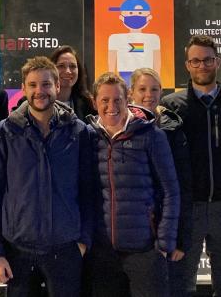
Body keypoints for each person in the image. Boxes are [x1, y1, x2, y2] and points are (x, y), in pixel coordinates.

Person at [0, 56, 93, 297]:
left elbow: (89, 190)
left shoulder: (79, 131)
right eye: (32, 85)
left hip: (65, 249)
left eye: (46, 84)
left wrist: (83, 240)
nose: (39, 91)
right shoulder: (6, 131)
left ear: (57, 87)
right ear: (23, 88)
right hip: (17, 251)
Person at [160, 35, 221, 297]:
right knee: (182, 283)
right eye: (196, 61)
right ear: (187, 65)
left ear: (218, 62)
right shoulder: (171, 105)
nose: (202, 65)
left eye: (208, 60)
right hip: (188, 209)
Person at [85, 72, 179, 297]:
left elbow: (171, 191)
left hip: (145, 250)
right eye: (104, 101)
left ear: (127, 98)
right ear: (94, 102)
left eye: (117, 99)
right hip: (103, 251)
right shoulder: (88, 137)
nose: (111, 106)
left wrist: (164, 242)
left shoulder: (151, 135)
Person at [129, 68, 193, 297]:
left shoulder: (175, 130)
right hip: (135, 232)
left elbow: (183, 188)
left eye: (154, 89)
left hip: (168, 231)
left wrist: (181, 239)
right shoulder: (120, 128)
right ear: (131, 93)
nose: (149, 94)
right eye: (142, 89)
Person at [107, 0, 161, 84]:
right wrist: (112, 83)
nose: (135, 16)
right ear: (121, 17)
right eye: (130, 13)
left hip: (148, 77)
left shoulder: (153, 38)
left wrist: (157, 83)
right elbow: (111, 69)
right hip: (124, 78)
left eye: (140, 13)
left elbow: (157, 65)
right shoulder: (115, 38)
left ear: (149, 17)